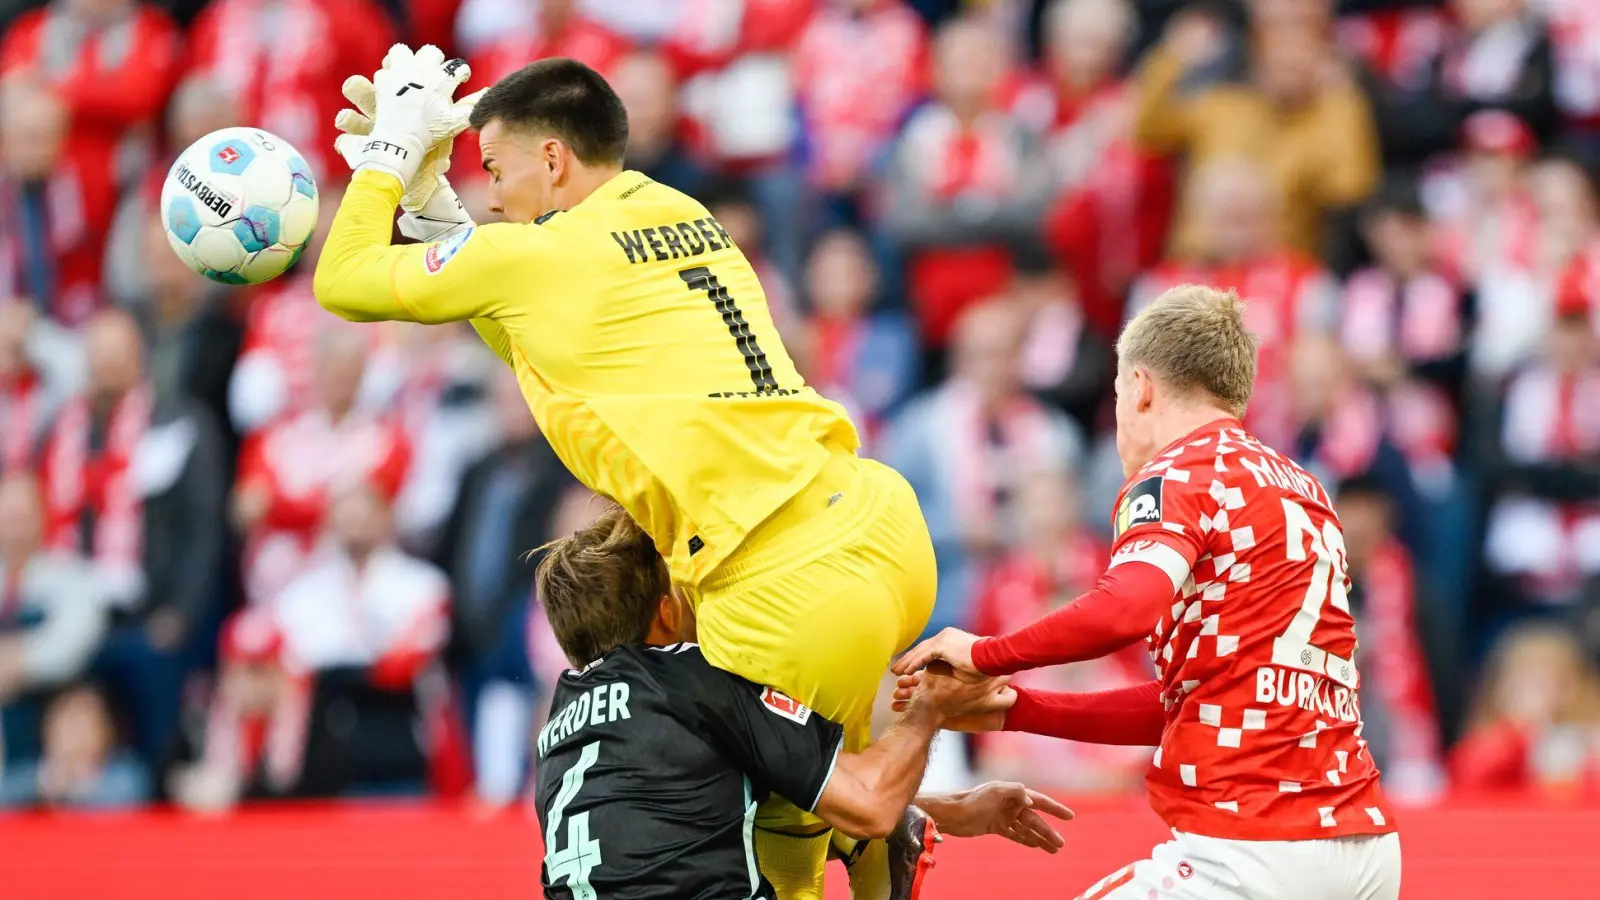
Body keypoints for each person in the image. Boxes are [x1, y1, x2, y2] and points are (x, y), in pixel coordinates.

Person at [314, 49, 941, 899]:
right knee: (836, 793)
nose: (493, 196)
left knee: (767, 850)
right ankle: (888, 845)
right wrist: (430, 200)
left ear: (553, 159)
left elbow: (341, 279)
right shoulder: (670, 206)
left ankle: (882, 835)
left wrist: (389, 154)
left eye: (494, 169)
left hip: (780, 582)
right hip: (876, 516)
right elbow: (522, 328)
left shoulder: (540, 257)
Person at [894, 285, 1401, 900]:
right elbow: (1204, 696)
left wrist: (983, 654)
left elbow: (1125, 608)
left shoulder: (1176, 474)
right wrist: (1019, 709)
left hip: (1251, 844)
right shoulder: (1304, 490)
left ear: (1139, 388)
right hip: (1363, 848)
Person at [532, 504, 1073, 899]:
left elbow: (685, 829)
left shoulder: (559, 727)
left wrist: (950, 811)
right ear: (669, 611)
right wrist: (930, 705)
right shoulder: (690, 678)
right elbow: (868, 805)